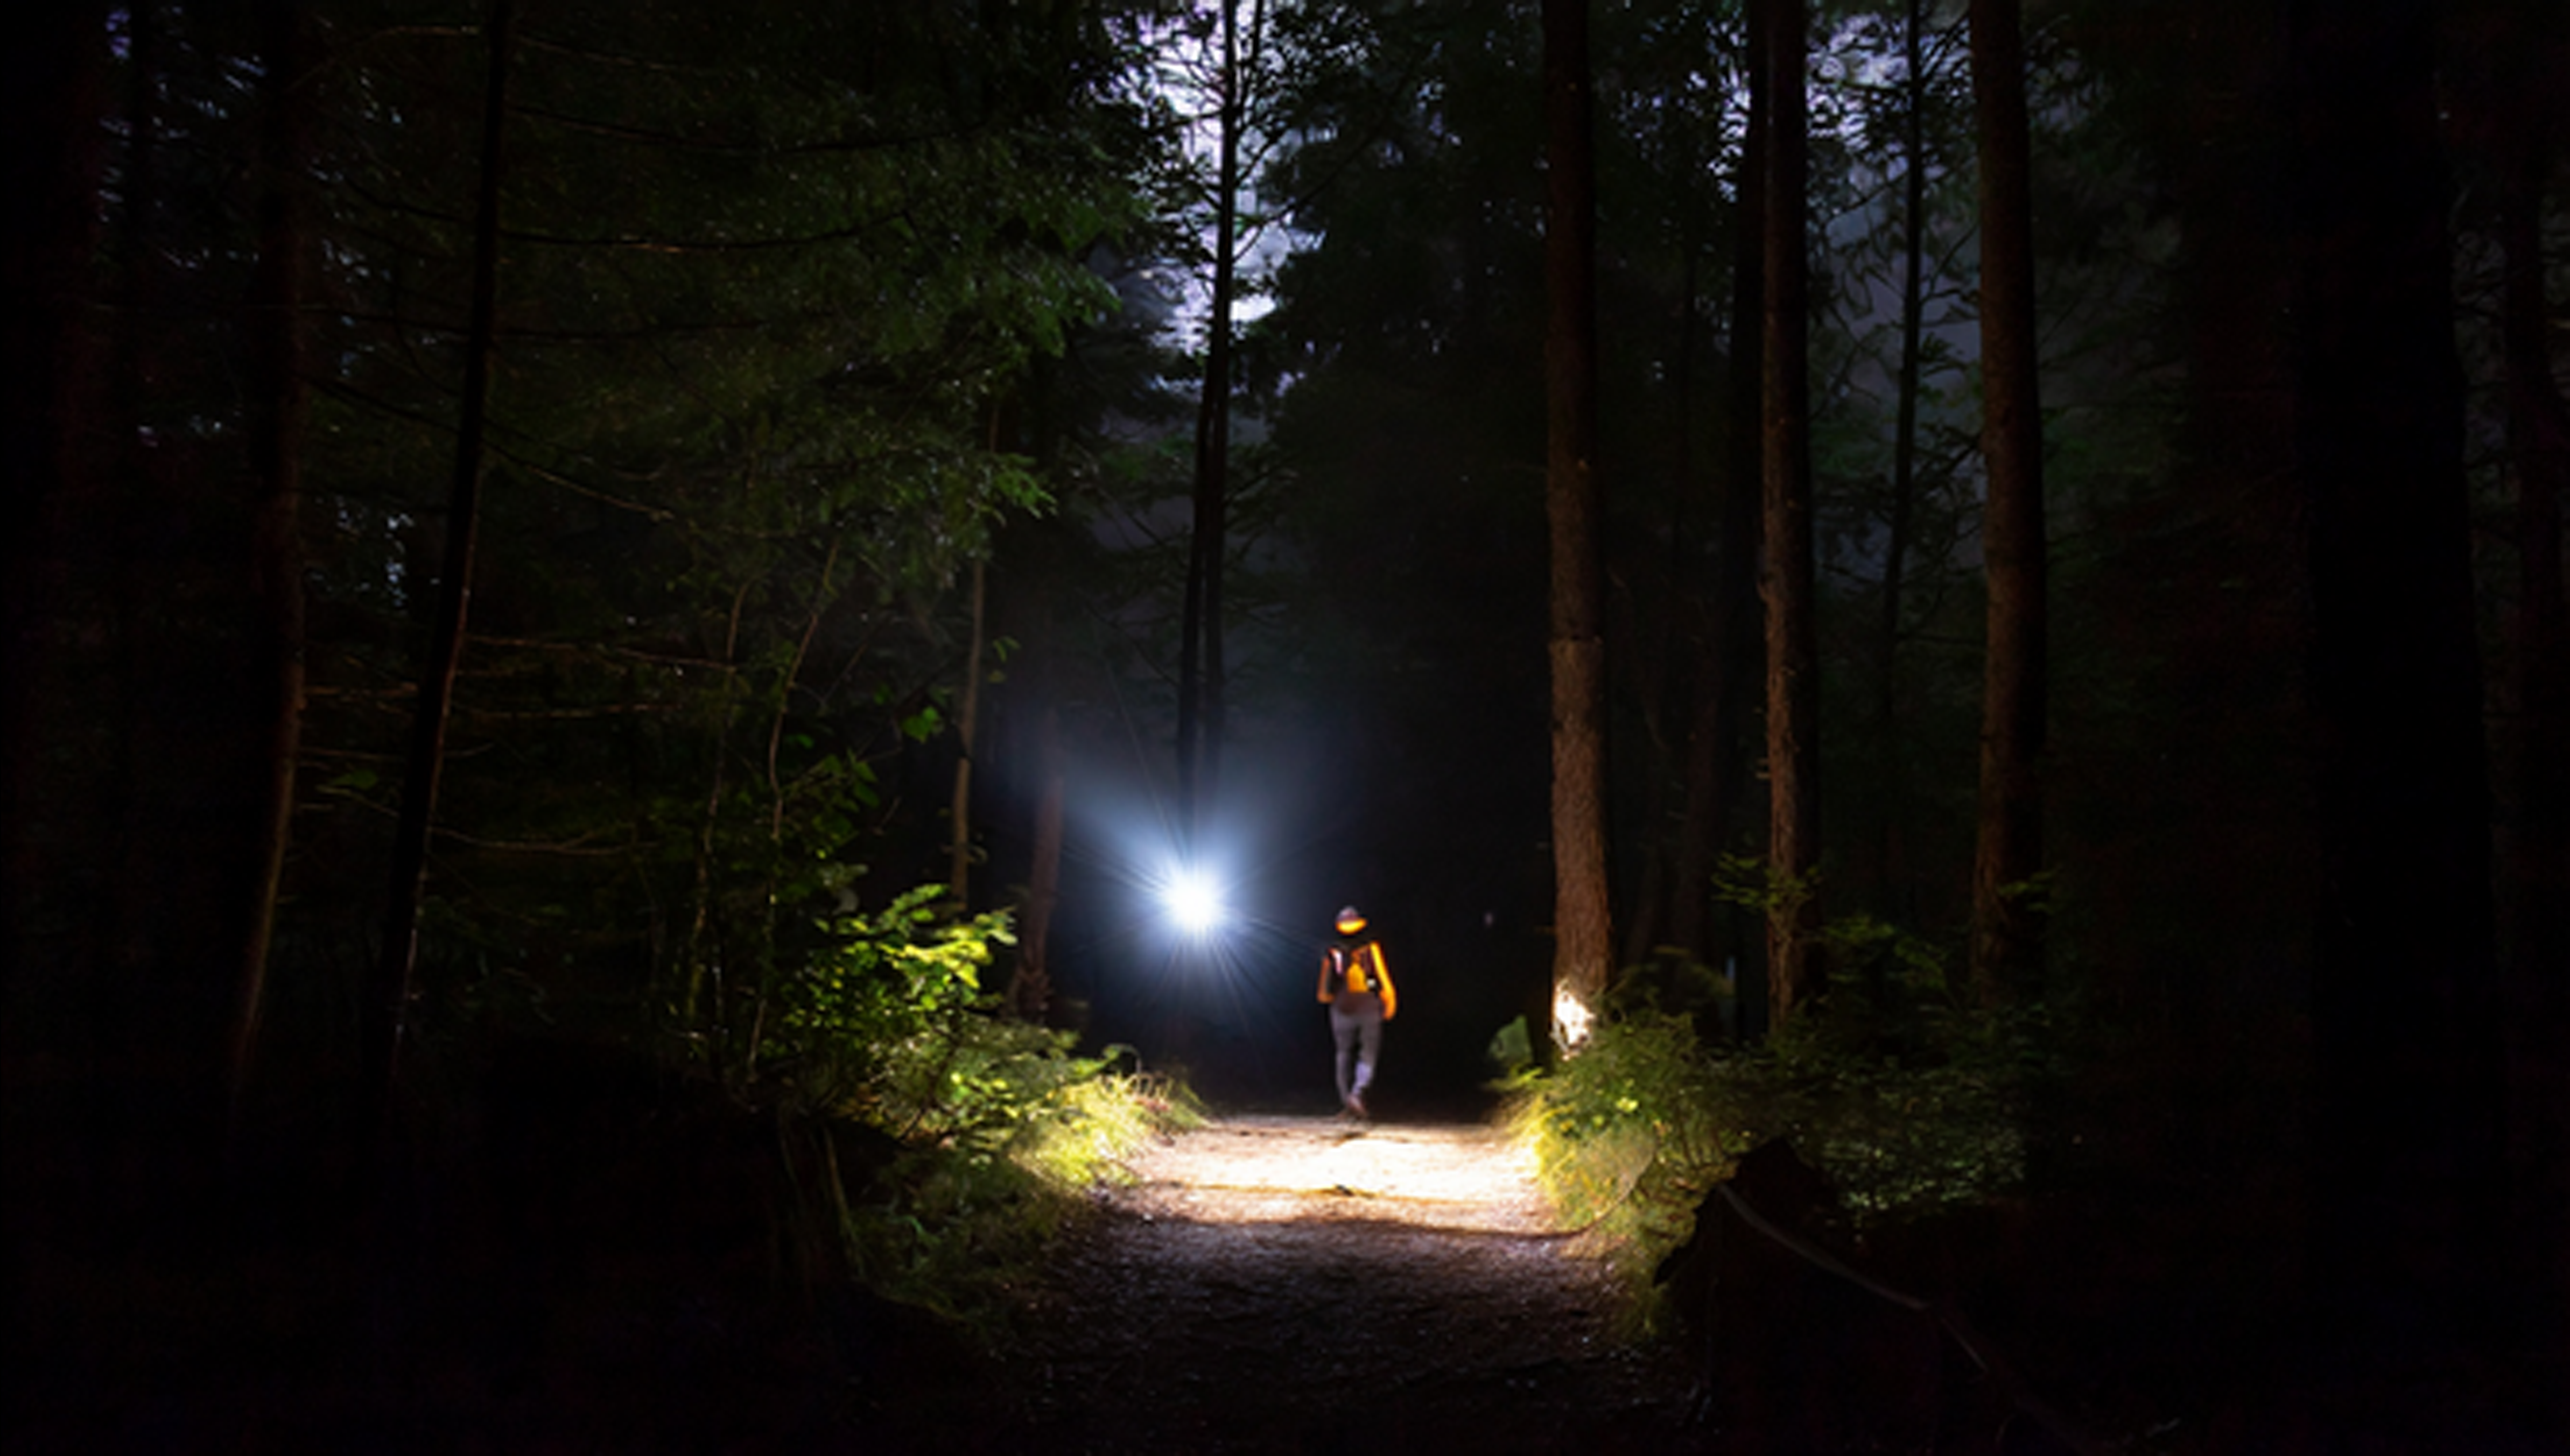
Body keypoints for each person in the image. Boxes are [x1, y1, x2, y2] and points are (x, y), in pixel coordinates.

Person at [1316, 906, 1396, 1119]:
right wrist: (1390, 998)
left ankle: (1348, 1103)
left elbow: (1323, 988)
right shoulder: (1370, 947)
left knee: (1343, 1053)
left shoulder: (1331, 950)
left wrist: (1327, 996)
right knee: (1367, 1053)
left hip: (1342, 1002)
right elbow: (1382, 976)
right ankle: (1357, 1094)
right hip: (1366, 1001)